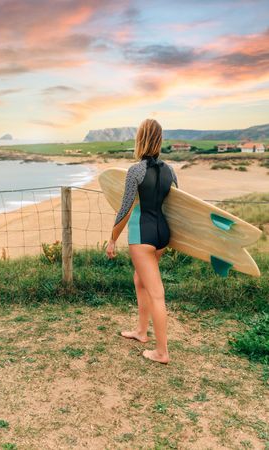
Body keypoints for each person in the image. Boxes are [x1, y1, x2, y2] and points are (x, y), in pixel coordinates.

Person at [106, 118, 178, 364]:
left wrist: (112, 239)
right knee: (141, 279)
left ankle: (162, 352)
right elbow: (176, 205)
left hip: (142, 236)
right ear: (159, 140)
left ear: (141, 139)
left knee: (157, 293)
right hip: (162, 235)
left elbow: (125, 209)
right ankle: (141, 331)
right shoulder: (170, 170)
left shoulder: (136, 171)